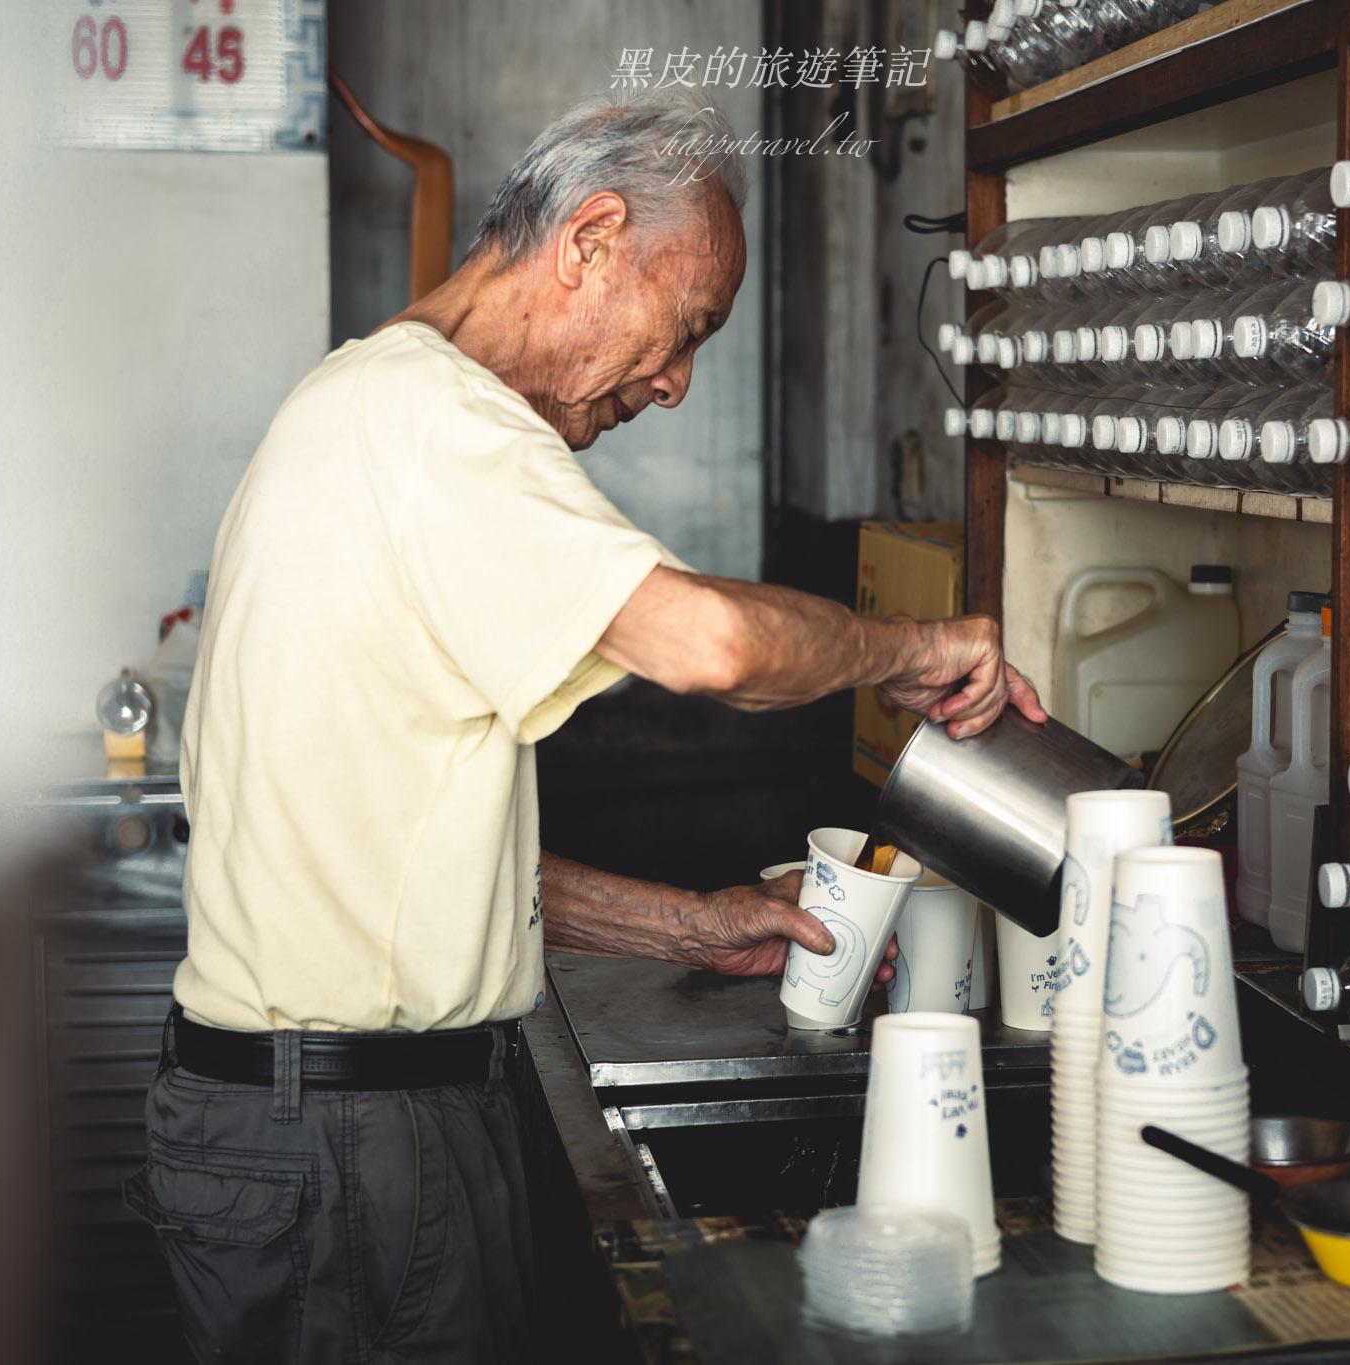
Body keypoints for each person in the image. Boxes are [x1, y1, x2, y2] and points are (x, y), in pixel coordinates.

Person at [124, 92, 1046, 1363]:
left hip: (335, 1122)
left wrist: (690, 921)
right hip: (347, 1143)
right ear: (593, 239)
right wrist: (915, 649)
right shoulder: (435, 424)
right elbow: (711, 646)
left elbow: (399, 860)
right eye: (686, 329)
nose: (672, 386)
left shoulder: (367, 404)